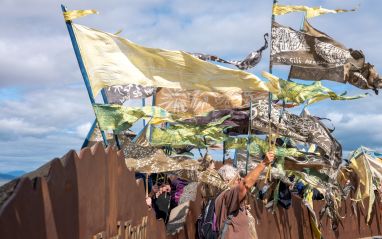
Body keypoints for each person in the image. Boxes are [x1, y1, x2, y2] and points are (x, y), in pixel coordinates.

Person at [214, 151, 275, 239]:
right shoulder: (227, 194)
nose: (239, 181)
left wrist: (242, 210)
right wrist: (263, 163)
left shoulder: (225, 197)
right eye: (237, 179)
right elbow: (245, 184)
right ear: (227, 181)